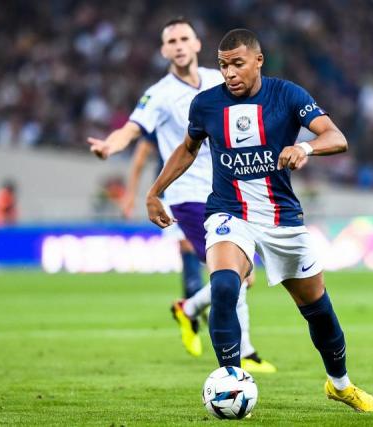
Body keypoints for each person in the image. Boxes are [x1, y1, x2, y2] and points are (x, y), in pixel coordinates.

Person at [146, 28, 373, 412]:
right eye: (224, 65)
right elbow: (187, 149)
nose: (229, 73)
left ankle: (340, 385)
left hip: (281, 219)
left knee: (318, 310)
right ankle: (229, 381)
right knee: (225, 285)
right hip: (230, 212)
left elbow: (336, 137)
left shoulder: (287, 95)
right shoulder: (206, 104)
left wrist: (304, 146)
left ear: (259, 61)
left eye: (238, 64)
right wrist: (155, 191)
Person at [87, 18, 275, 373]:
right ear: (164, 50)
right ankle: (245, 355)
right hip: (187, 193)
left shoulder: (221, 79)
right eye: (171, 40)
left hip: (229, 188)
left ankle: (188, 310)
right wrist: (111, 146)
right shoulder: (159, 95)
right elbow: (133, 129)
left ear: (197, 43)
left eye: (184, 38)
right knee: (231, 275)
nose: (178, 44)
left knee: (243, 273)